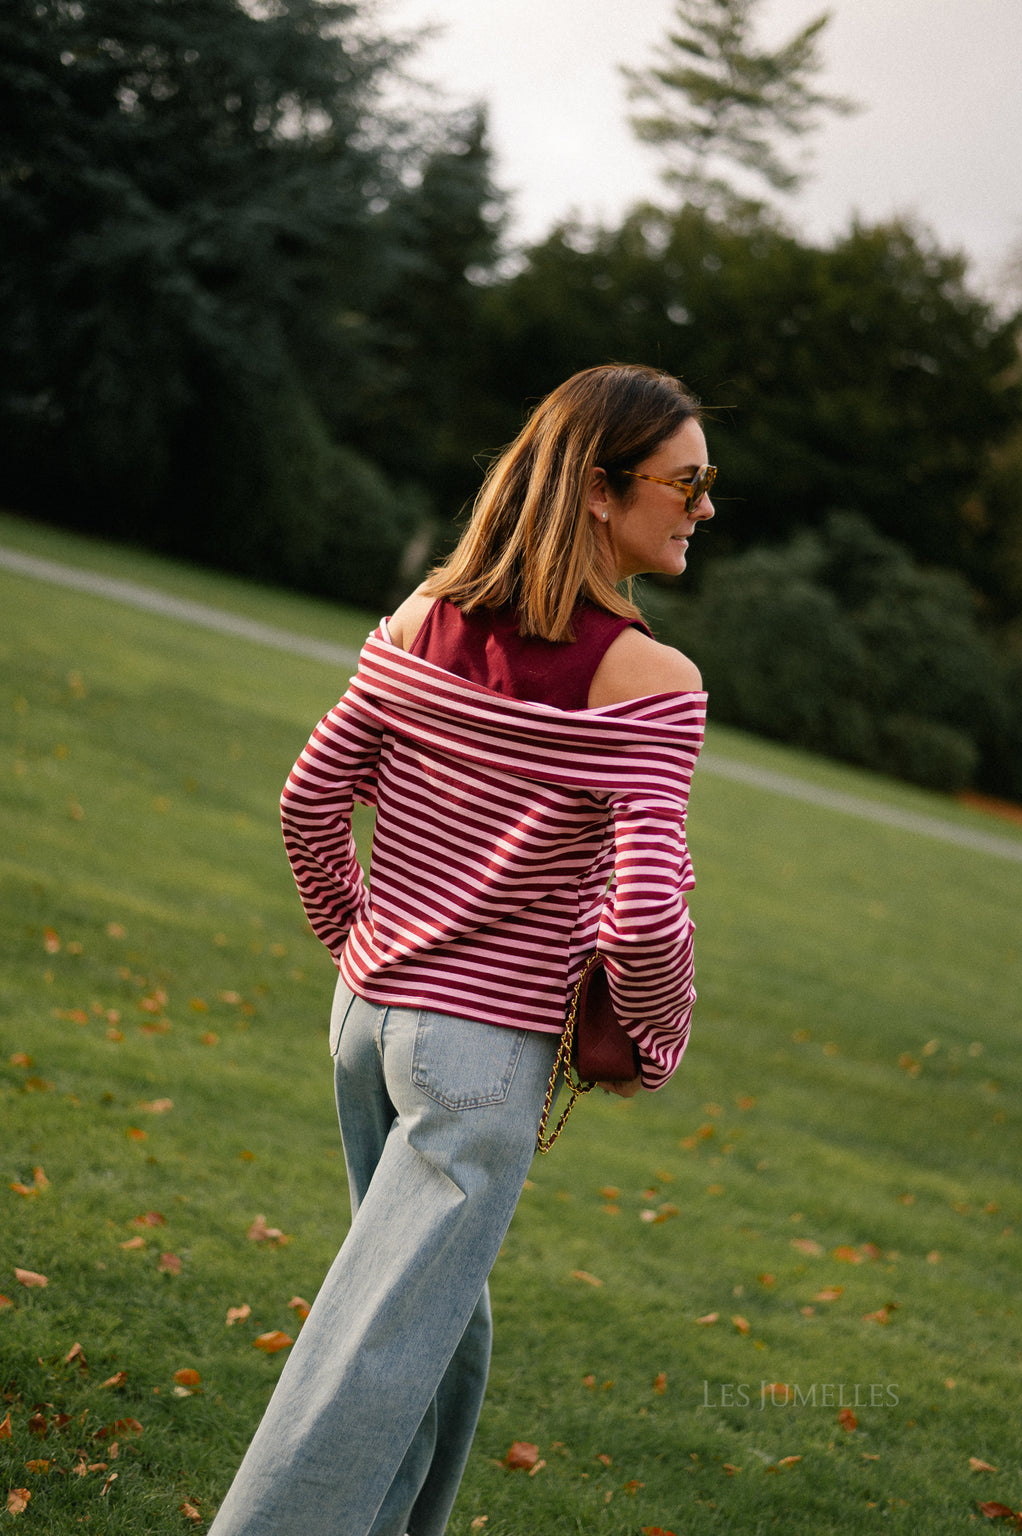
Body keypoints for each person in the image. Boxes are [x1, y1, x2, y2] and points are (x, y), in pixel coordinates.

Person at [209, 363, 714, 1536]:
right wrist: (653, 1036)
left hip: (365, 1025)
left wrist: (359, 943)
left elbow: (307, 801)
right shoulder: (652, 683)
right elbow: (641, 916)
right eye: (683, 484)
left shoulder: (417, 617)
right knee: (373, 1355)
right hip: (474, 1061)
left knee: (435, 1326)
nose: (701, 510)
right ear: (599, 490)